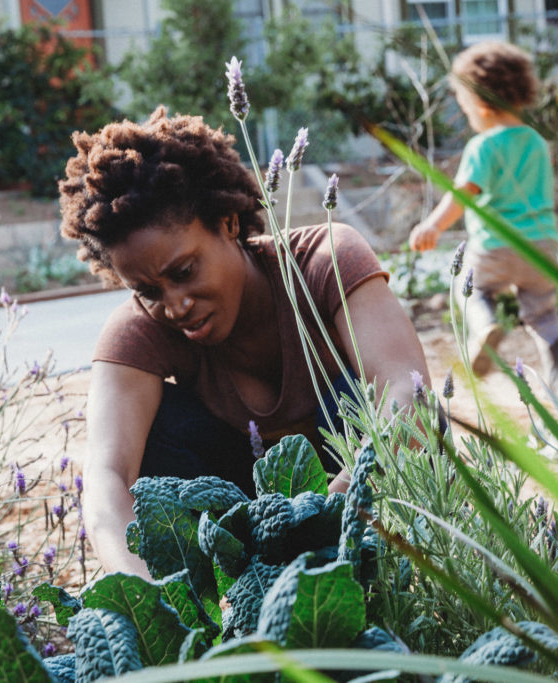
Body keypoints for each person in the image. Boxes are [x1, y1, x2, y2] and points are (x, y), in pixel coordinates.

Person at [59, 106, 432, 577]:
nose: (175, 306)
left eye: (184, 271)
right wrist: (146, 597)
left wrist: (320, 520)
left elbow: (409, 393)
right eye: (148, 291)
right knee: (156, 432)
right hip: (244, 532)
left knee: (356, 398)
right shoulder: (139, 331)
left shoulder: (323, 261)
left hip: (368, 506)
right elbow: (106, 481)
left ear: (229, 223)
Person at [408, 40, 558, 408]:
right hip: (543, 245)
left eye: (464, 105)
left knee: (468, 287)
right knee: (543, 314)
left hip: (496, 246)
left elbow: (463, 193)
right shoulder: (536, 142)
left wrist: (433, 225)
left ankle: (484, 325)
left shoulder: (483, 147)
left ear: (480, 102)